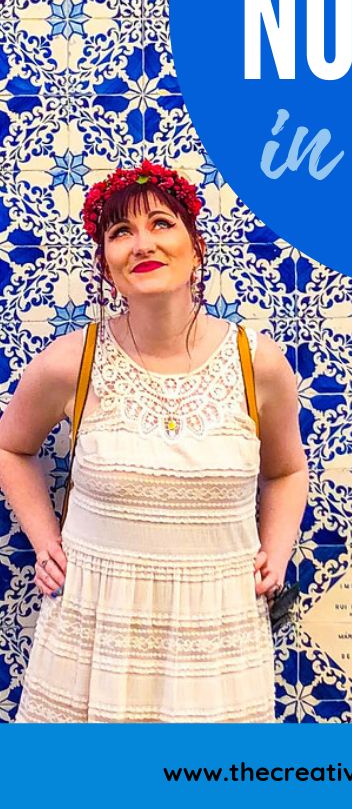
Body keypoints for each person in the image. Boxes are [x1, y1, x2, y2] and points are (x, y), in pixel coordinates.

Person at [0, 160, 308, 722]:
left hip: (217, 637)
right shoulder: (72, 362)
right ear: (107, 266)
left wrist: (277, 550)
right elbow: (9, 448)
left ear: (196, 248)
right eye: (121, 232)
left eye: (162, 224)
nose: (142, 244)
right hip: (94, 632)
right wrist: (46, 540)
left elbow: (287, 470)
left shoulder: (255, 363)